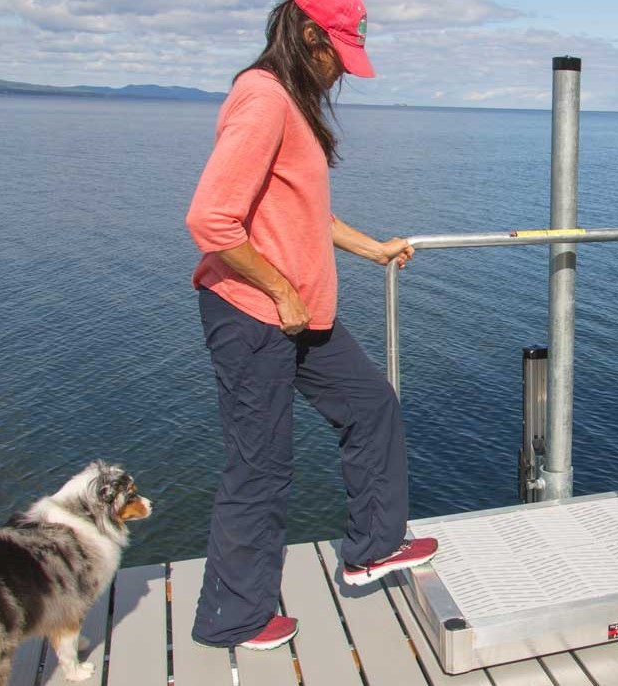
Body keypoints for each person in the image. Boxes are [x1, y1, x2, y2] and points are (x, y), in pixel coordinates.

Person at [185, 0, 437, 651]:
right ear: (307, 36)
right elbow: (211, 220)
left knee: (371, 406)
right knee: (259, 467)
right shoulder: (263, 98)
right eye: (338, 56)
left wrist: (373, 248)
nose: (339, 73)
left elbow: (304, 216)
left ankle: (370, 552)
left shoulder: (288, 102)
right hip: (253, 317)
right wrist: (276, 287)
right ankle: (233, 619)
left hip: (298, 317)